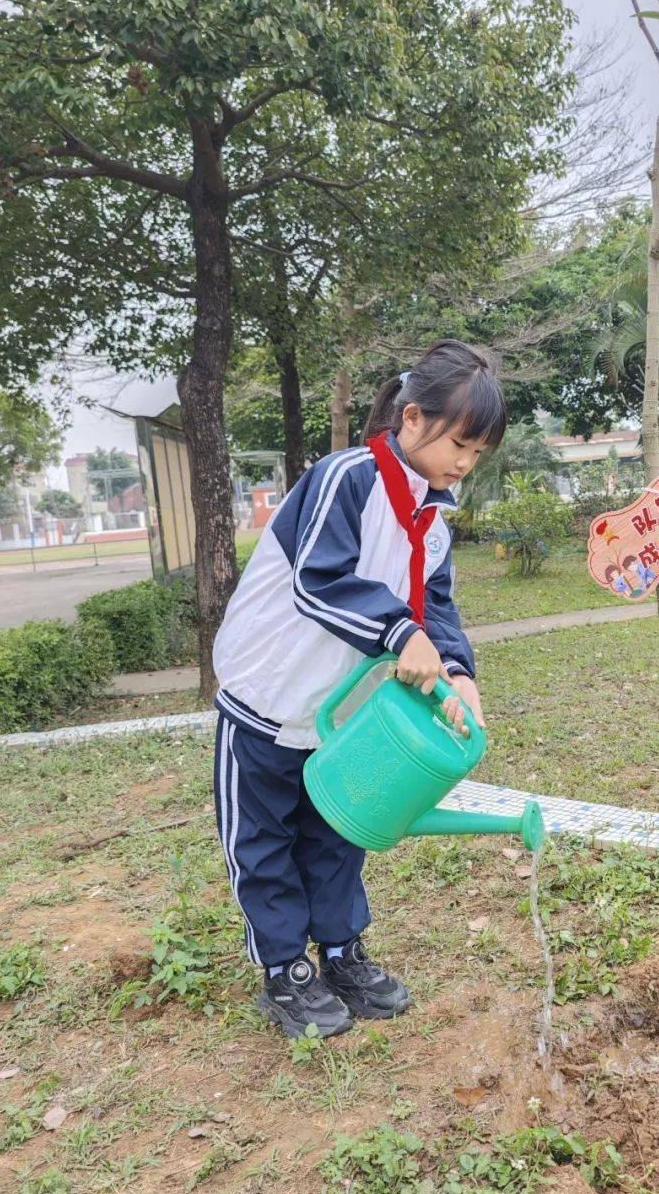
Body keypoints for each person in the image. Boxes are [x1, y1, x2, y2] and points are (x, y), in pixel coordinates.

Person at [211, 340, 506, 1039]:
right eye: (460, 443)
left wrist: (458, 671)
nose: (465, 463)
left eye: (477, 452)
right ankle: (286, 970)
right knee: (264, 840)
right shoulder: (344, 477)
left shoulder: (433, 514)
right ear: (412, 417)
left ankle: (342, 953)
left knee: (339, 831)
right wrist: (403, 636)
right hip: (266, 697)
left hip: (339, 712)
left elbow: (436, 603)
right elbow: (321, 578)